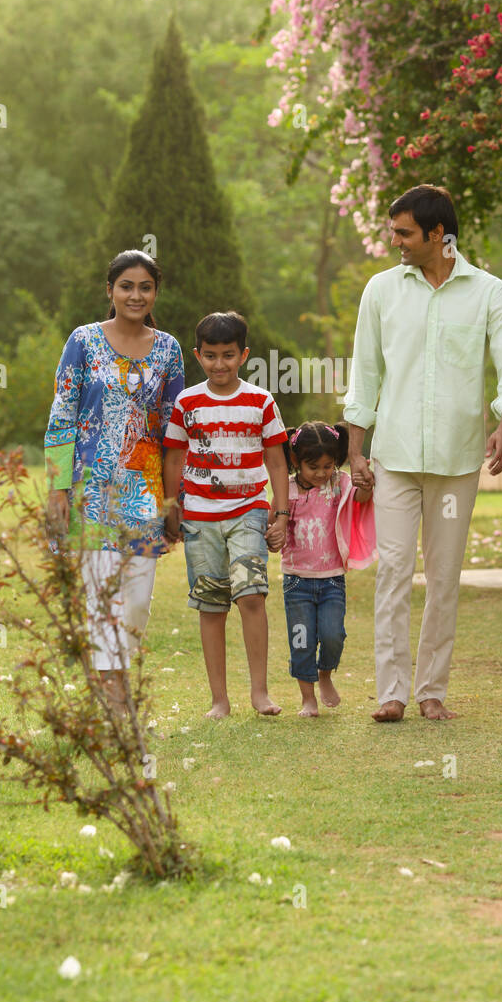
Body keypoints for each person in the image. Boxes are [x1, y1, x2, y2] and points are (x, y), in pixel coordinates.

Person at [343, 184, 502, 723]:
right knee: (394, 572)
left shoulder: (490, 293)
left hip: (456, 462)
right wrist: (355, 452)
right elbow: (364, 378)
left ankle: (431, 691)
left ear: (436, 235)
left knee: (444, 576)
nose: (394, 240)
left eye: (404, 232)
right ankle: (392, 693)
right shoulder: (380, 291)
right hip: (395, 459)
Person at [44, 249, 184, 710]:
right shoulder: (83, 341)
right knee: (100, 592)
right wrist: (57, 488)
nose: (136, 295)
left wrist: (173, 502)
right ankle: (113, 697)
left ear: (155, 292)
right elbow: (62, 415)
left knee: (138, 597)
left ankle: (114, 683)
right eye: (126, 286)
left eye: (145, 286)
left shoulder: (168, 349)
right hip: (90, 488)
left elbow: (173, 430)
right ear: (110, 291)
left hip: (143, 490)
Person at [162, 311, 289, 719]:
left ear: (244, 355)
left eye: (229, 355)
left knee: (252, 595)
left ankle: (260, 692)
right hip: (199, 515)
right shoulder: (187, 402)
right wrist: (171, 507)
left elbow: (276, 459)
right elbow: (175, 457)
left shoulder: (260, 401)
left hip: (248, 509)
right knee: (212, 604)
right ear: (198, 356)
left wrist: (281, 511)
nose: (220, 364)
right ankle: (219, 699)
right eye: (212, 356)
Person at [280, 421, 376, 716]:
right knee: (301, 638)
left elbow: (359, 500)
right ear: (296, 462)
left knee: (333, 635)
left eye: (328, 465)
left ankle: (325, 674)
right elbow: (277, 522)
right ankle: (307, 698)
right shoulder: (289, 490)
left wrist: (365, 484)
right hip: (297, 581)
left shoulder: (339, 483)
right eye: (314, 467)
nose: (322, 473)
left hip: (332, 579)